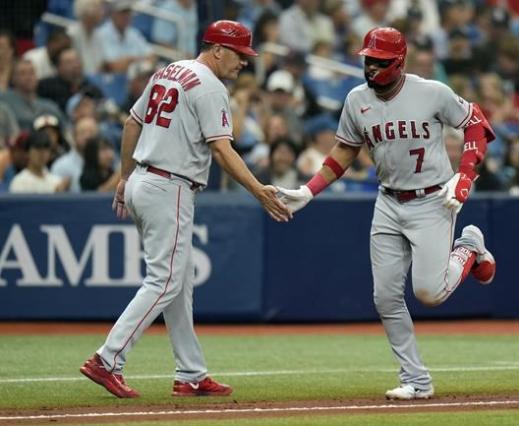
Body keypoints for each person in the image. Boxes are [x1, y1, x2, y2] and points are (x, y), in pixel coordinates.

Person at [277, 27, 497, 400]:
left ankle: (469, 248)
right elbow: (345, 151)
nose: (371, 68)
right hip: (388, 201)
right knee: (385, 297)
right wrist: (308, 191)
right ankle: (416, 379)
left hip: (432, 200)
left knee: (429, 293)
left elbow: (477, 123)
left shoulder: (431, 92)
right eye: (368, 60)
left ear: (399, 62)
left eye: (379, 62)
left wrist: (465, 173)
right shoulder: (356, 99)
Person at [79, 20, 290, 399]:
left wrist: (125, 178)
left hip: (144, 178)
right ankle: (107, 359)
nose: (244, 62)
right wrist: (258, 190)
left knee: (179, 284)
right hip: (170, 185)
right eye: (240, 54)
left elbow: (132, 123)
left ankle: (191, 373)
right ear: (218, 49)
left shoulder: (168, 71)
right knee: (165, 281)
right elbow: (222, 150)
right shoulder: (210, 86)